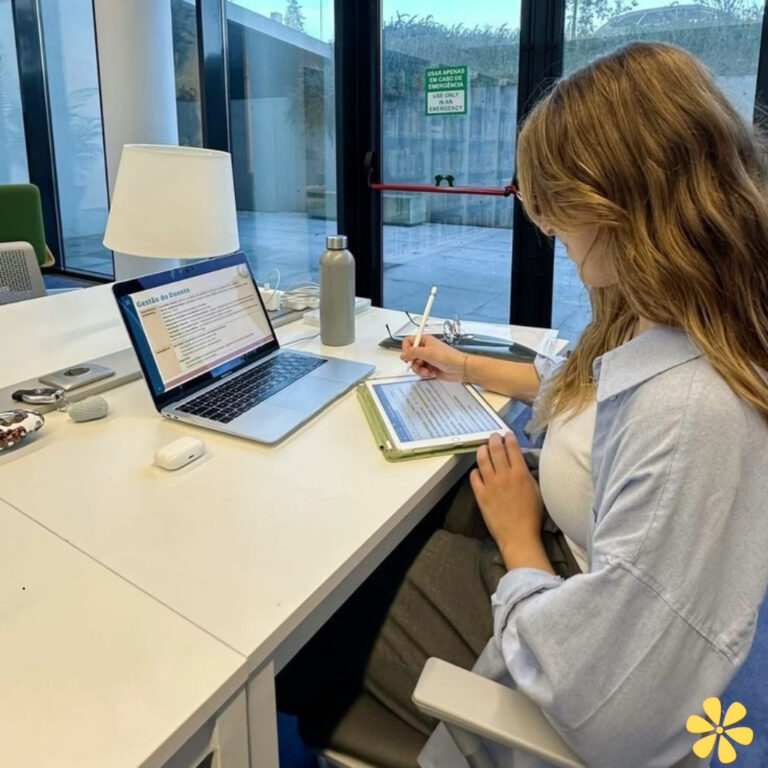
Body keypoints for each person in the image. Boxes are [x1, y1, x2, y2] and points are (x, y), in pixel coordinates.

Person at [278, 41, 768, 767]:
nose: (549, 231)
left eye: (557, 208)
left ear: (619, 202)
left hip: (557, 599)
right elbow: (589, 384)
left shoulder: (694, 413)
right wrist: (464, 364)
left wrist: (517, 543)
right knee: (363, 539)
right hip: (562, 555)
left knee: (309, 623)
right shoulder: (677, 317)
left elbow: (613, 706)